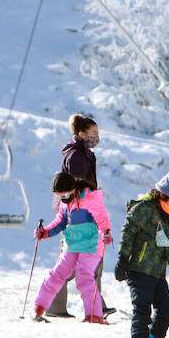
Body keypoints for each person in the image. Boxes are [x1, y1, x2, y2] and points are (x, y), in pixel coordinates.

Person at [114, 165, 169, 338]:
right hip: (139, 270)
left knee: (166, 311)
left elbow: (165, 246)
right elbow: (128, 233)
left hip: (157, 273)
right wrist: (122, 260)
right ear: (164, 195)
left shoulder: (166, 217)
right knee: (142, 312)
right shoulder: (144, 208)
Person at [46, 114, 109, 318]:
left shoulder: (84, 154)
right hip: (78, 214)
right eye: (93, 133)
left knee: (88, 258)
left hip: (84, 211)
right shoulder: (77, 156)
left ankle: (96, 304)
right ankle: (56, 305)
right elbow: (75, 189)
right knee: (75, 260)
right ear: (81, 134)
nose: (97, 137)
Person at [32, 172, 112, 324]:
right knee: (57, 273)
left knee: (84, 277)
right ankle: (39, 307)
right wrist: (45, 232)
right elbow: (60, 222)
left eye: (65, 195)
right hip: (72, 244)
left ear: (73, 189)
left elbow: (102, 220)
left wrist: (105, 233)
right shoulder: (65, 203)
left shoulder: (89, 199)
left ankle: (94, 316)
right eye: (59, 196)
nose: (63, 198)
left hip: (91, 244)